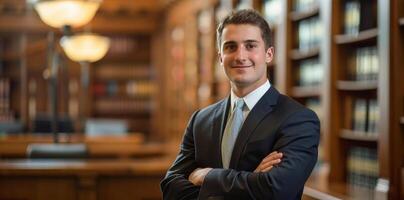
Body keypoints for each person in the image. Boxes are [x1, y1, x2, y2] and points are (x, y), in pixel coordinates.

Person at [161, 9, 320, 200]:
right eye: (230, 47)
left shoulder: (298, 119)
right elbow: (171, 188)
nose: (240, 56)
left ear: (269, 54)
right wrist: (251, 181)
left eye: (250, 46)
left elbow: (276, 190)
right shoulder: (200, 120)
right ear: (220, 57)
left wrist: (208, 176)